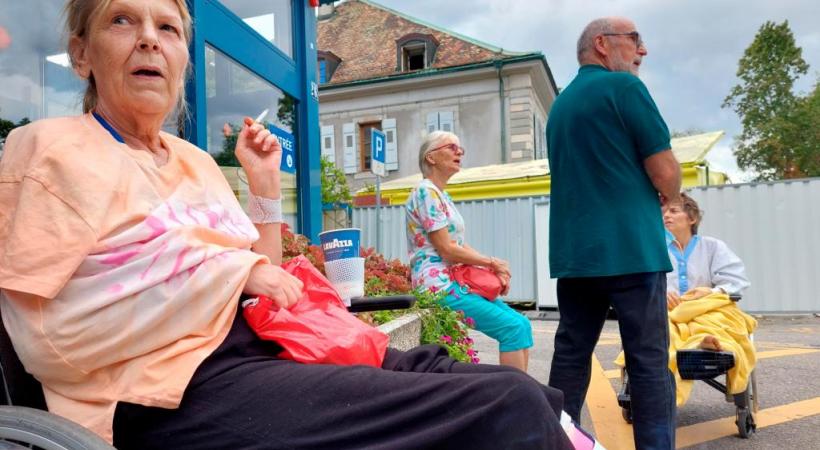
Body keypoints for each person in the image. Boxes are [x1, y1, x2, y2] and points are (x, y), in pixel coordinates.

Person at [0, 1, 573, 449]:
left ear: (182, 58)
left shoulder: (194, 160)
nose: (150, 38)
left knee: (516, 388)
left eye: (168, 28)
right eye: (122, 20)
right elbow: (46, 337)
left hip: (269, 346)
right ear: (81, 55)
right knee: (505, 414)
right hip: (166, 389)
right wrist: (230, 272)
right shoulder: (48, 150)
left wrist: (265, 187)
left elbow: (263, 279)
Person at [546, 17, 682, 449]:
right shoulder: (625, 89)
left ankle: (555, 440)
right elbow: (664, 173)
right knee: (648, 361)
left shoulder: (561, 106)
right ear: (602, 45)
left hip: (576, 254)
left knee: (570, 355)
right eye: (636, 41)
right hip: (631, 249)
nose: (642, 51)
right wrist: (669, 189)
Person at [405, 130, 534, 371]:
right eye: (452, 147)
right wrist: (492, 263)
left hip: (452, 281)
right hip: (438, 286)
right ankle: (517, 401)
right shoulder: (426, 191)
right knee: (512, 328)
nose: (460, 152)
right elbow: (447, 249)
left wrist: (493, 267)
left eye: (460, 148)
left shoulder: (442, 194)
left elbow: (459, 245)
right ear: (431, 157)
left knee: (522, 325)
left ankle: (523, 396)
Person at [663, 192, 750, 312]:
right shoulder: (653, 249)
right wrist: (661, 296)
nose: (666, 215)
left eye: (673, 211)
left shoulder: (712, 247)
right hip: (664, 313)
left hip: (705, 313)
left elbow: (736, 281)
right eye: (663, 212)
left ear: (692, 218)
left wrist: (711, 292)